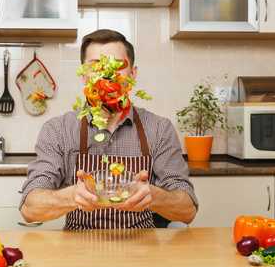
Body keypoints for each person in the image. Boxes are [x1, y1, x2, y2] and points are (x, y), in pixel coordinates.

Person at [20, 29, 198, 229]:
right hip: (77, 248)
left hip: (142, 247)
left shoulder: (159, 129)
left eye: (118, 65)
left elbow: (188, 211)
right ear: (84, 75)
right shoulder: (58, 129)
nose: (107, 73)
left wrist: (154, 196)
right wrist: (72, 196)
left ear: (132, 73)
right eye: (96, 65)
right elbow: (29, 209)